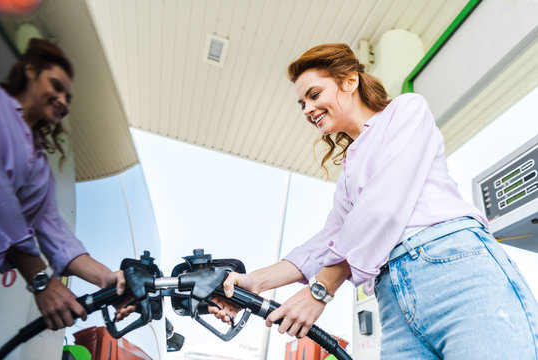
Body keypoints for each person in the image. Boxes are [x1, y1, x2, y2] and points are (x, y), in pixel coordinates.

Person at [213, 43, 538, 358]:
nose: (308, 109)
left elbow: (384, 204)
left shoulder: (407, 110)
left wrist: (320, 290)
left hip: (453, 268)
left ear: (350, 81)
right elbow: (326, 242)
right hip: (392, 295)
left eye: (314, 95)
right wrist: (252, 282)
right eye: (301, 104)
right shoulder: (350, 170)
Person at [0, 38, 131, 331]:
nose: (62, 101)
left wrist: (106, 278)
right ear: (31, 71)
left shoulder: (39, 166)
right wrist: (40, 278)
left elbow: (55, 235)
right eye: (56, 87)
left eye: (68, 98)